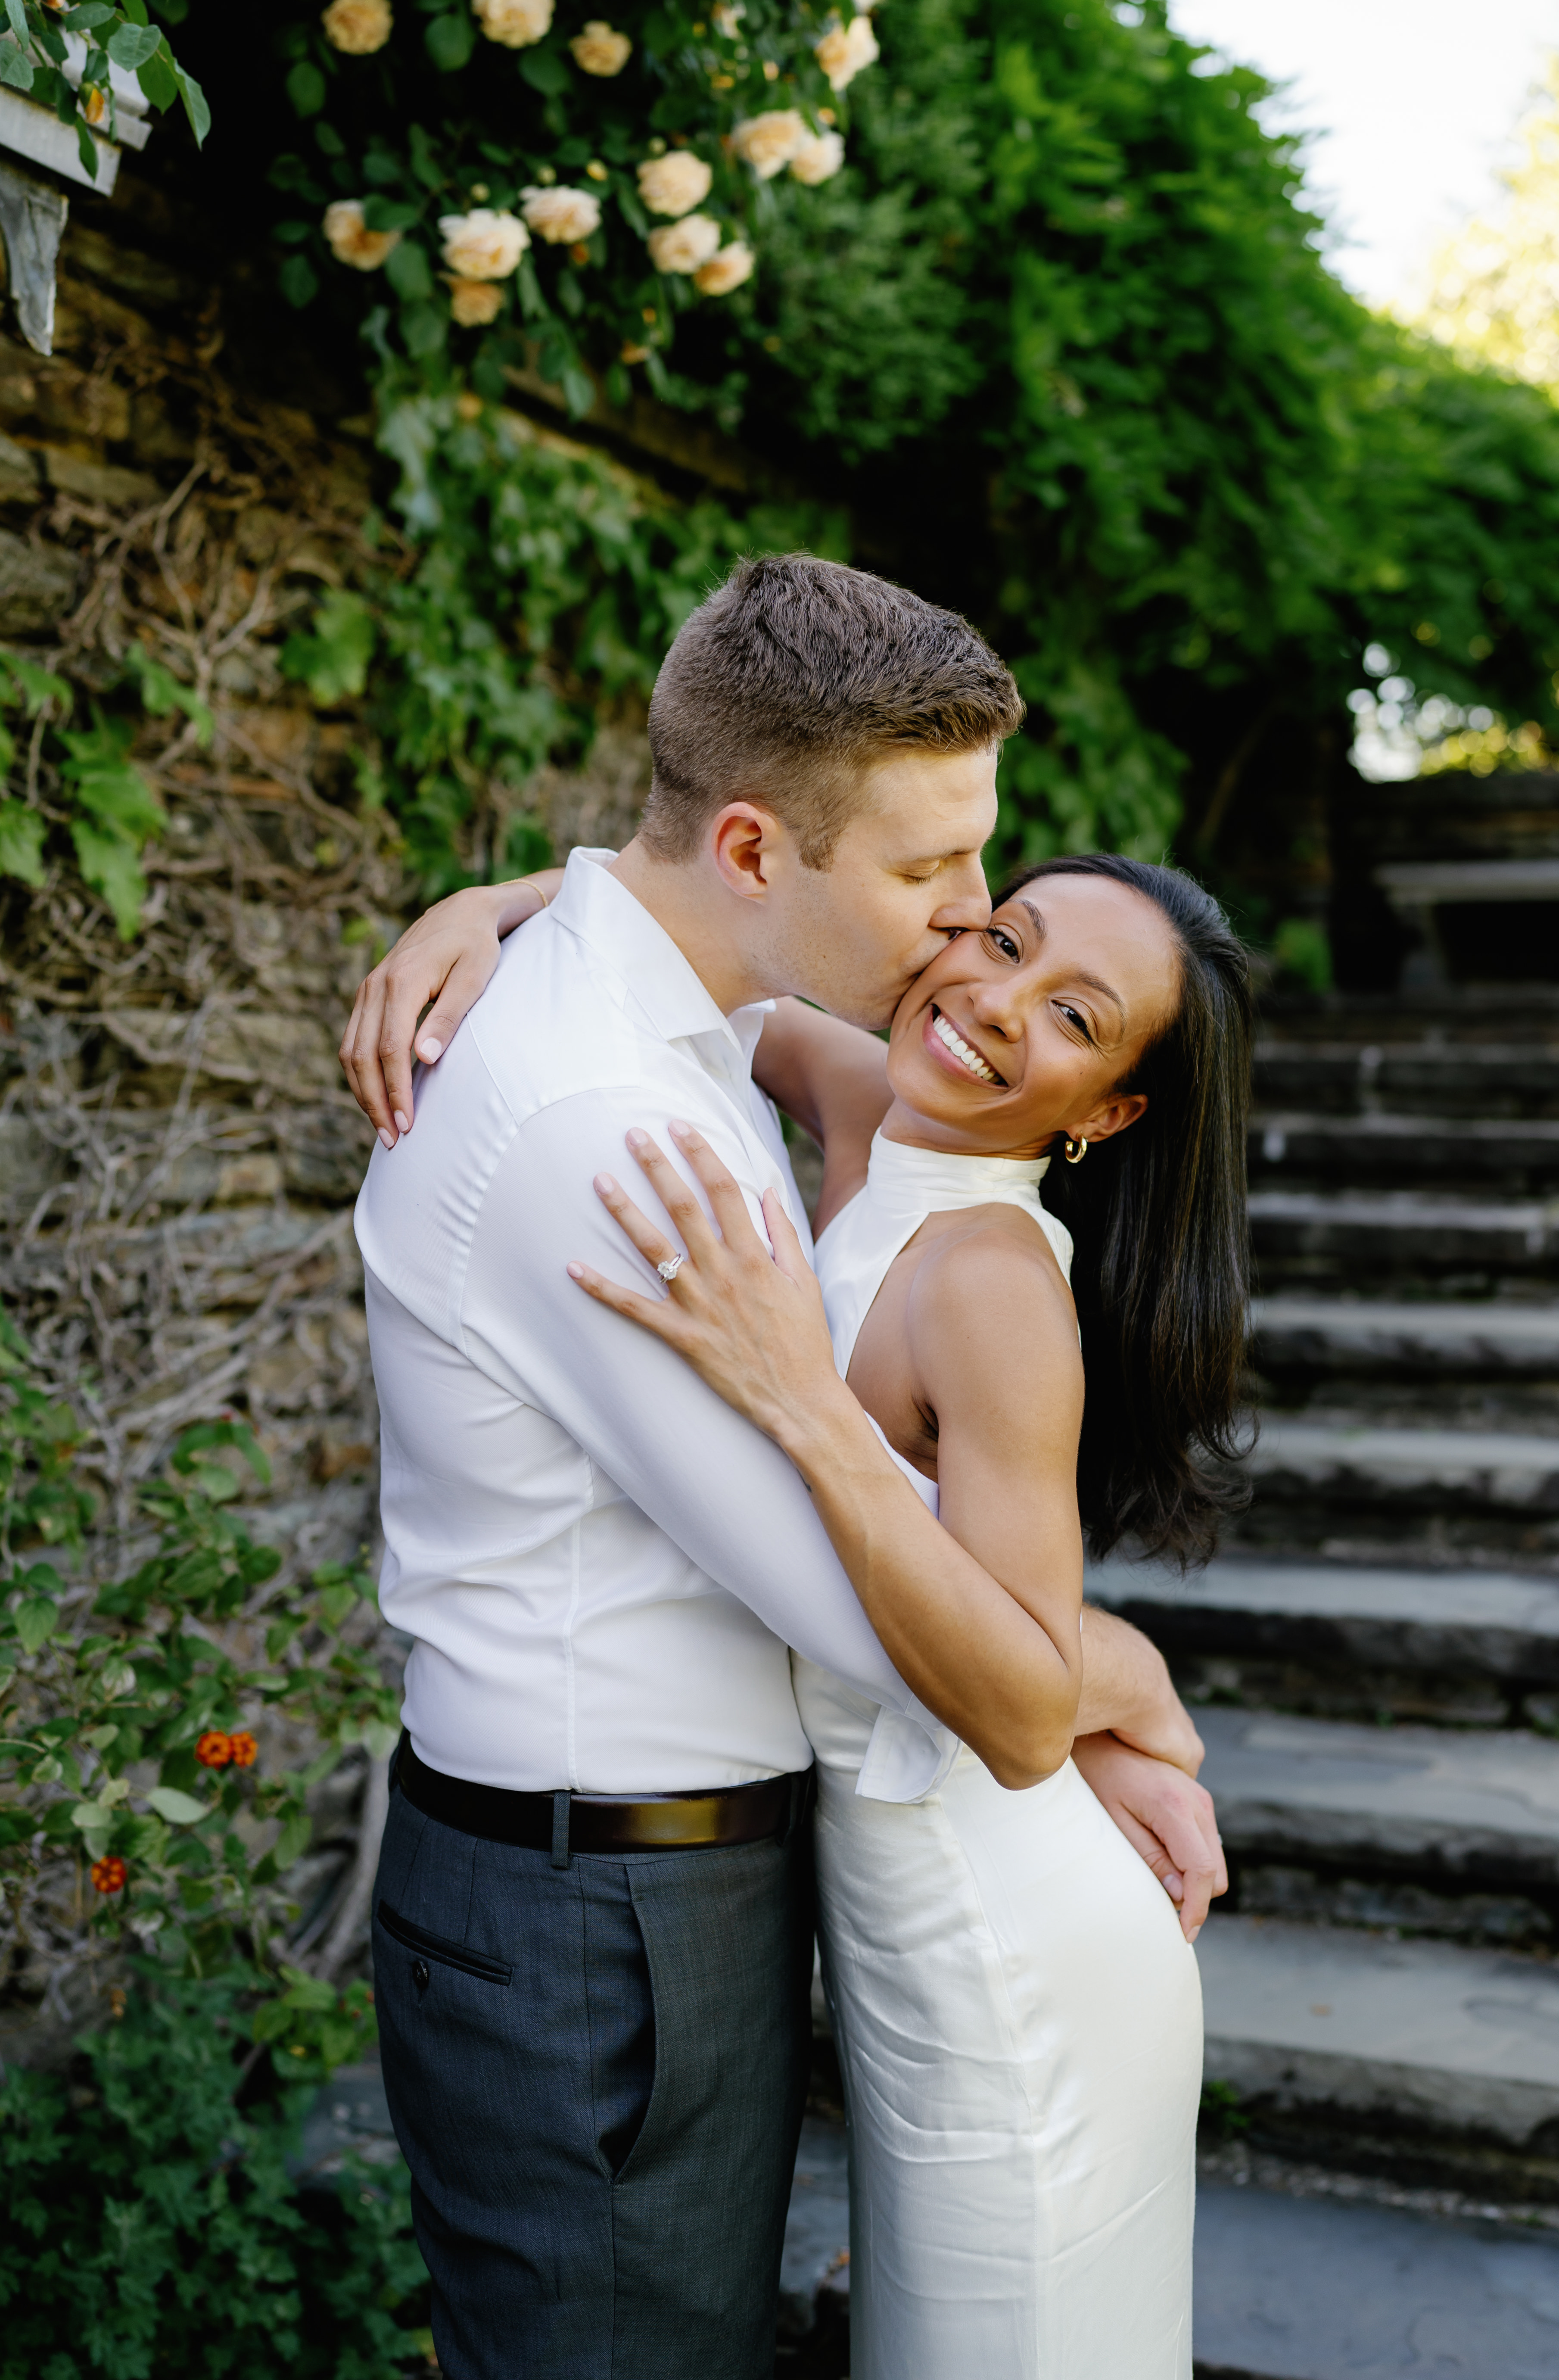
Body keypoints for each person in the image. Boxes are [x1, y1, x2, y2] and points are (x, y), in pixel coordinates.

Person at [344, 556, 1227, 2380]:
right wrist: (1128, 1685)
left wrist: (507, 901)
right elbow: (921, 1645)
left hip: (735, 1887)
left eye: (986, 884)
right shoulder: (628, 1125)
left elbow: (682, 937)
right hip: (603, 1912)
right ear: (756, 851)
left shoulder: (712, 1047)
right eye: (941, 883)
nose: (964, 933)